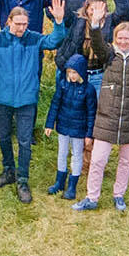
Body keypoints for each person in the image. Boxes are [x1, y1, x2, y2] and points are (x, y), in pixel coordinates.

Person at [0, 0, 71, 202]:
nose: (21, 28)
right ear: (8, 21)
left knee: (25, 140)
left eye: (24, 24)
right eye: (17, 24)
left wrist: (59, 22)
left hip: (27, 98)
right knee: (3, 137)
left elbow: (55, 41)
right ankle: (8, 170)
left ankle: (23, 179)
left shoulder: (33, 38)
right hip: (2, 98)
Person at [76, 8, 129, 212]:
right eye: (120, 38)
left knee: (126, 162)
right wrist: (95, 24)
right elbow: (97, 43)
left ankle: (118, 195)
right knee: (98, 160)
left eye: (127, 38)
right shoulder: (109, 55)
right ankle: (92, 197)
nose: (123, 42)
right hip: (107, 117)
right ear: (115, 39)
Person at [44, 49, 97, 198]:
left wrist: (89, 134)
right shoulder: (63, 85)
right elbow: (55, 104)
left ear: (81, 72)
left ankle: (72, 186)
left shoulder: (89, 90)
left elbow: (91, 113)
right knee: (62, 153)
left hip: (79, 130)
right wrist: (49, 124)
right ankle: (59, 182)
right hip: (63, 126)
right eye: (69, 72)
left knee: (76, 156)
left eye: (75, 72)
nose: (72, 76)